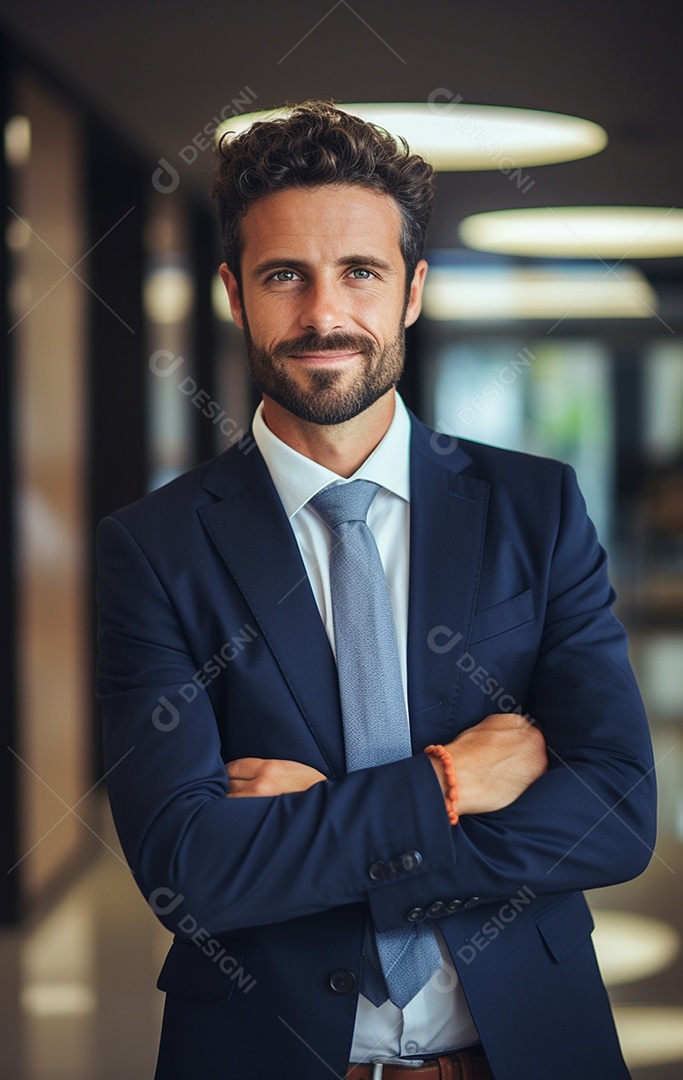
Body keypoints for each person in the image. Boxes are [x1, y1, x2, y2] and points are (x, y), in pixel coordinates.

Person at [96, 100, 656, 1080]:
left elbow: (611, 815)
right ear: (233, 291)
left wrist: (327, 824)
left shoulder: (534, 508)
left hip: (523, 1048)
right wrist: (442, 788)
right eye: (284, 276)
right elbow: (189, 873)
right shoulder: (153, 549)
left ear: (411, 291)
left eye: (360, 272)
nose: (323, 315)